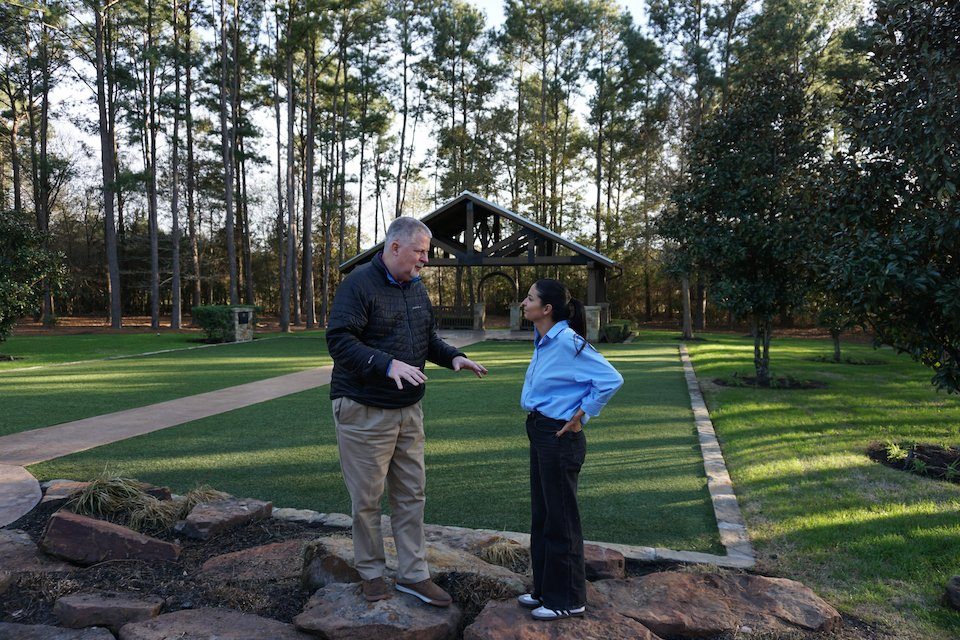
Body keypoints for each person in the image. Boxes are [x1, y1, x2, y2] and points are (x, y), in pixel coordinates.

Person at [326, 216, 488, 607]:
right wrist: (385, 364)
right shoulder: (358, 285)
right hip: (364, 410)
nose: (425, 260)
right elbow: (339, 339)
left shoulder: (416, 287)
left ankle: (414, 574)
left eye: (426, 253)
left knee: (412, 494)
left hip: (408, 410)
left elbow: (426, 337)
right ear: (394, 247)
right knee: (367, 499)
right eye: (420, 252)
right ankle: (370, 573)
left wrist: (453, 357)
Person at [516, 278, 624, 621]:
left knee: (561, 520)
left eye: (529, 298)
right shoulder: (545, 338)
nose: (523, 302)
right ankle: (546, 590)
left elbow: (610, 378)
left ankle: (568, 599)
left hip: (559, 436)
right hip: (540, 429)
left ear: (546, 309)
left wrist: (583, 412)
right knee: (543, 516)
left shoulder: (566, 341)